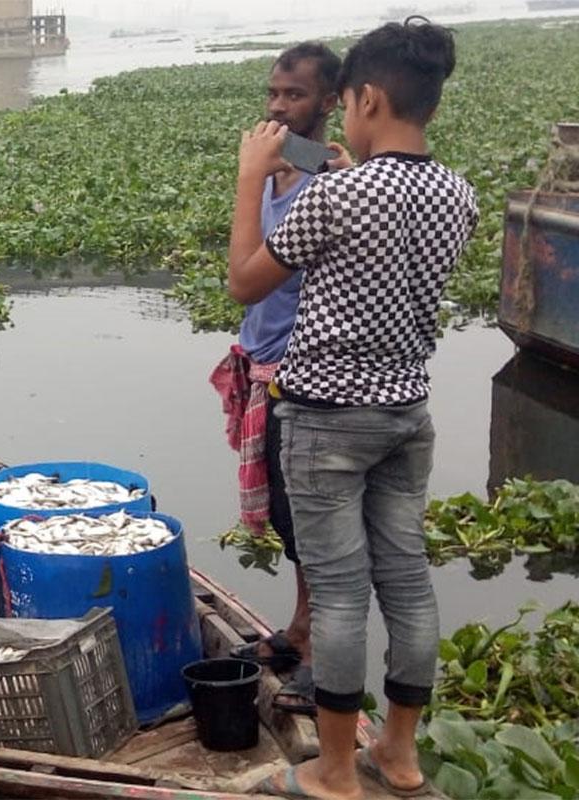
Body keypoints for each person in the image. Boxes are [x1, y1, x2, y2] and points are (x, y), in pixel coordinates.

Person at [230, 19, 479, 800]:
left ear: (366, 97)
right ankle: (397, 760)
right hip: (408, 414)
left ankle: (335, 771)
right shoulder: (457, 193)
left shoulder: (335, 192)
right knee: (407, 584)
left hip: (327, 417)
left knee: (337, 595)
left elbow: (245, 282)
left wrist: (250, 179)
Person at [210, 42, 344, 717]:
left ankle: (320, 656)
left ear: (331, 101)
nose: (277, 107)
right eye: (272, 94)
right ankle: (297, 631)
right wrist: (252, 177)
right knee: (291, 524)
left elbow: (244, 282)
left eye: (293, 96)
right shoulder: (270, 175)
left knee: (310, 521)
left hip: (306, 374)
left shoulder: (334, 185)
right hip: (264, 365)